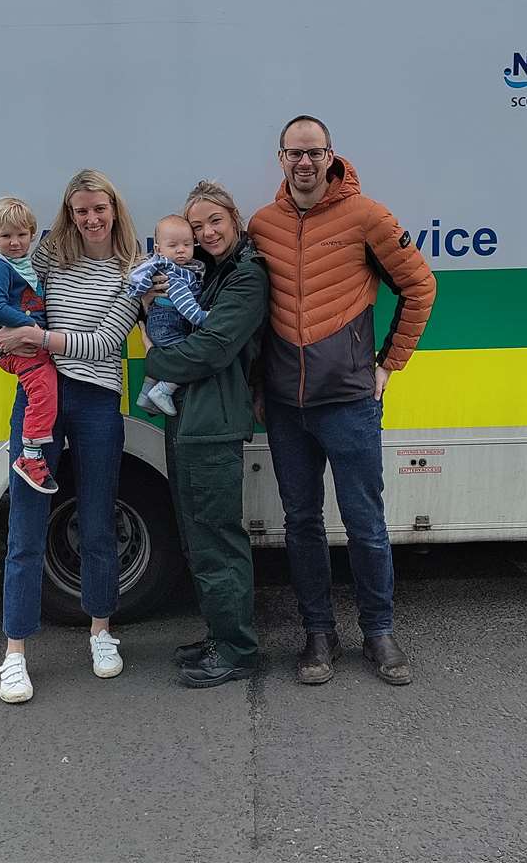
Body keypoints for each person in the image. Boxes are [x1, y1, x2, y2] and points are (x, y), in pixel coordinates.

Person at [248, 115, 436, 687]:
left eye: (314, 152)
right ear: (280, 159)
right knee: (302, 523)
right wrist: (258, 386)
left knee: (364, 523)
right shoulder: (263, 224)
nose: (303, 163)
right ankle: (318, 633)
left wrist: (388, 365)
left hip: (350, 401)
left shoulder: (367, 216)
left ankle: (378, 631)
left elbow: (420, 286)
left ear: (331, 156)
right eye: (293, 153)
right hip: (285, 406)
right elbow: (252, 314)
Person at [0, 170, 142, 703]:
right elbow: (13, 289)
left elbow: (105, 343)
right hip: (39, 401)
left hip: (98, 402)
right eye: (81, 211)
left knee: (99, 522)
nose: (91, 218)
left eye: (99, 208)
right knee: (26, 528)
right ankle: (14, 654)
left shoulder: (133, 268)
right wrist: (5, 339)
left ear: (114, 209)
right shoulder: (50, 255)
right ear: (69, 214)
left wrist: (35, 337)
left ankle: (101, 632)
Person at [141, 181, 269, 688]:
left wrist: (153, 357)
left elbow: (214, 349)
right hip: (190, 420)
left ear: (233, 219)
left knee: (217, 537)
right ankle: (221, 633)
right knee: (197, 535)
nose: (206, 232)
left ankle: (238, 650)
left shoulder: (246, 277)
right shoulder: (205, 274)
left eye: (215, 221)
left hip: (213, 425)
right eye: (196, 227)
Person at [0, 196, 59, 495]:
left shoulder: (21, 264)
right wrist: (32, 328)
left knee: (45, 389)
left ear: (32, 235)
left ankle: (33, 454)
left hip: (29, 343)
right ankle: (30, 456)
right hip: (23, 346)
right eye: (6, 236)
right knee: (44, 389)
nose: (15, 242)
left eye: (22, 235)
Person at [128, 213, 208, 416]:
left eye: (187, 244)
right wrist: (202, 317)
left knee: (165, 357)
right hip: (169, 324)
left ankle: (146, 394)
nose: (181, 250)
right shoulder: (174, 273)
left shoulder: (177, 267)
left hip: (160, 324)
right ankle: (164, 390)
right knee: (188, 359)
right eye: (173, 246)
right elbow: (185, 305)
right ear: (158, 249)